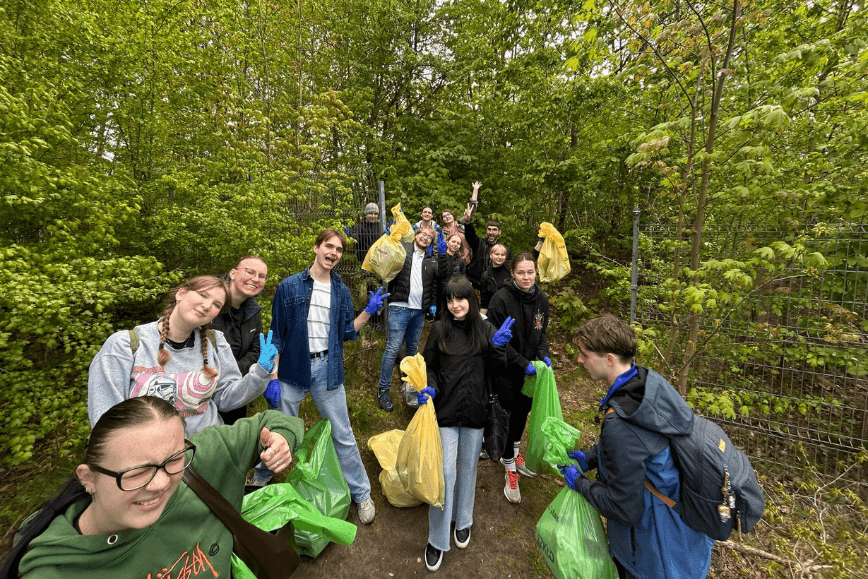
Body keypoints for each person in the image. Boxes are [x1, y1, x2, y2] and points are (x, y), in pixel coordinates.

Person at [1, 396, 302, 579]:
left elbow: (270, 421)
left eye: (172, 459)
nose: (160, 483)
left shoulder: (195, 467)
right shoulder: (54, 570)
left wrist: (281, 439)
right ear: (88, 478)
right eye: (136, 472)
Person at [562, 314, 714, 579]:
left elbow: (624, 509)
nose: (579, 360)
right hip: (684, 540)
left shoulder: (620, 425)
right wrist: (592, 457)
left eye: (585, 354)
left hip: (652, 556)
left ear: (608, 359)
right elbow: (641, 443)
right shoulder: (645, 385)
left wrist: (580, 484)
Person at [262, 228, 388, 524]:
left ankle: (361, 494)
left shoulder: (341, 291)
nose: (333, 253)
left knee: (342, 434)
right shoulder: (289, 286)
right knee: (279, 431)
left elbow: (346, 332)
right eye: (328, 247)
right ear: (316, 248)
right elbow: (277, 336)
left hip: (327, 369)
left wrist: (368, 312)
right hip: (292, 368)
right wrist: (272, 377)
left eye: (339, 250)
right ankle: (261, 482)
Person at [88, 276, 278, 436]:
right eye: (203, 295)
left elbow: (227, 399)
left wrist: (261, 372)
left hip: (206, 455)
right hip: (148, 461)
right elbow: (105, 419)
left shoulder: (216, 343)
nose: (206, 305)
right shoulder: (126, 345)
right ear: (181, 293)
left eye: (216, 305)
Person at [419, 277, 521, 572]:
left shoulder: (485, 328)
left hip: (476, 412)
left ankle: (463, 520)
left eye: (461, 299)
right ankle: (437, 538)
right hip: (446, 412)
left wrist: (499, 348)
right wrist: (432, 388)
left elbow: (496, 370)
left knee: (468, 469)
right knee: (444, 474)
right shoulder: (440, 328)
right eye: (450, 299)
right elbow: (430, 365)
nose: (455, 305)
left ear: (471, 300)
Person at [486, 252, 551, 503]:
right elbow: (497, 342)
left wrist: (543, 355)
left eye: (530, 272)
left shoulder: (542, 300)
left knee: (523, 412)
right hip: (506, 370)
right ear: (512, 273)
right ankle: (509, 467)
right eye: (521, 272)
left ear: (536, 273)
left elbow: (541, 333)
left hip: (531, 372)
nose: (526, 277)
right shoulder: (500, 300)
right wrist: (522, 363)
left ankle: (513, 453)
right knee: (508, 414)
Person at [375, 225, 439, 411]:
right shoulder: (402, 250)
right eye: (423, 234)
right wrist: (388, 238)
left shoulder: (431, 260)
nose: (426, 238)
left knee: (412, 350)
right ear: (416, 235)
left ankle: (408, 387)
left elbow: (434, 285)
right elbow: (385, 259)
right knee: (393, 348)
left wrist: (431, 304)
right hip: (399, 306)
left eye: (430, 237)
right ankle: (383, 389)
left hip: (419, 311)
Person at [214, 255, 271, 425]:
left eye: (261, 276)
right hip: (203, 392)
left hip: (237, 390)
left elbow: (256, 350)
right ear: (233, 273)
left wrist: (235, 373)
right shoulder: (212, 304)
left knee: (231, 443)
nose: (255, 279)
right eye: (250, 272)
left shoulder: (253, 311)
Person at [463, 206, 512, 290]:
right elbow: (470, 235)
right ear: (486, 231)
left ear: (499, 232)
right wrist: (467, 222)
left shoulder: (503, 250)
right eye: (489, 229)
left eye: (494, 230)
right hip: (475, 282)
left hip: (493, 284)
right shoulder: (479, 243)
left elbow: (512, 264)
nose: (491, 232)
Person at [434, 232, 467, 318]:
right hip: (441, 299)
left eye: (458, 243)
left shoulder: (461, 262)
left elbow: (463, 280)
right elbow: (437, 278)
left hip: (455, 299)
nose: (455, 244)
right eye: (453, 241)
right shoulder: (438, 258)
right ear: (447, 242)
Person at [479, 244, 510, 315]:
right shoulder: (486, 276)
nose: (500, 257)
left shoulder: (511, 272)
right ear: (491, 255)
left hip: (510, 311)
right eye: (497, 254)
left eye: (502, 255)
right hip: (494, 313)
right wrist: (481, 321)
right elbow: (484, 303)